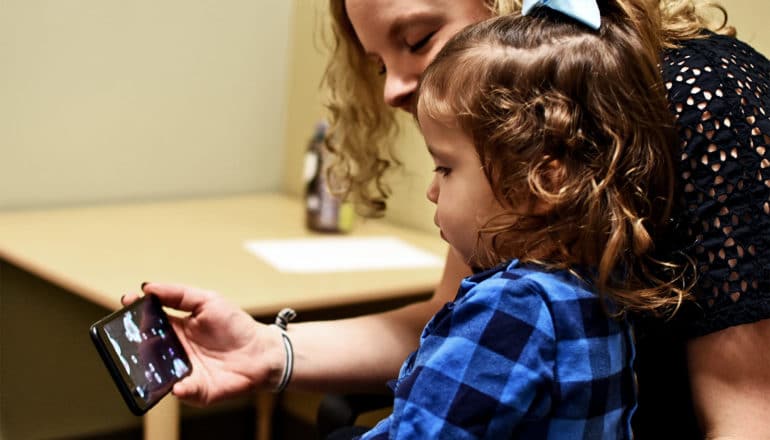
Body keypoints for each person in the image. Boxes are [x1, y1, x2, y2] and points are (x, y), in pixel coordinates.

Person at [123, 0, 770, 437]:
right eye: (379, 63)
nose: (391, 89)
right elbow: (446, 320)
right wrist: (268, 349)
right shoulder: (528, 205)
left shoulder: (704, 99)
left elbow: (748, 413)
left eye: (416, 41)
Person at [353, 1, 691, 436]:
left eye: (445, 168)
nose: (432, 190)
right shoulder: (600, 293)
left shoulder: (512, 312)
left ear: (543, 181)